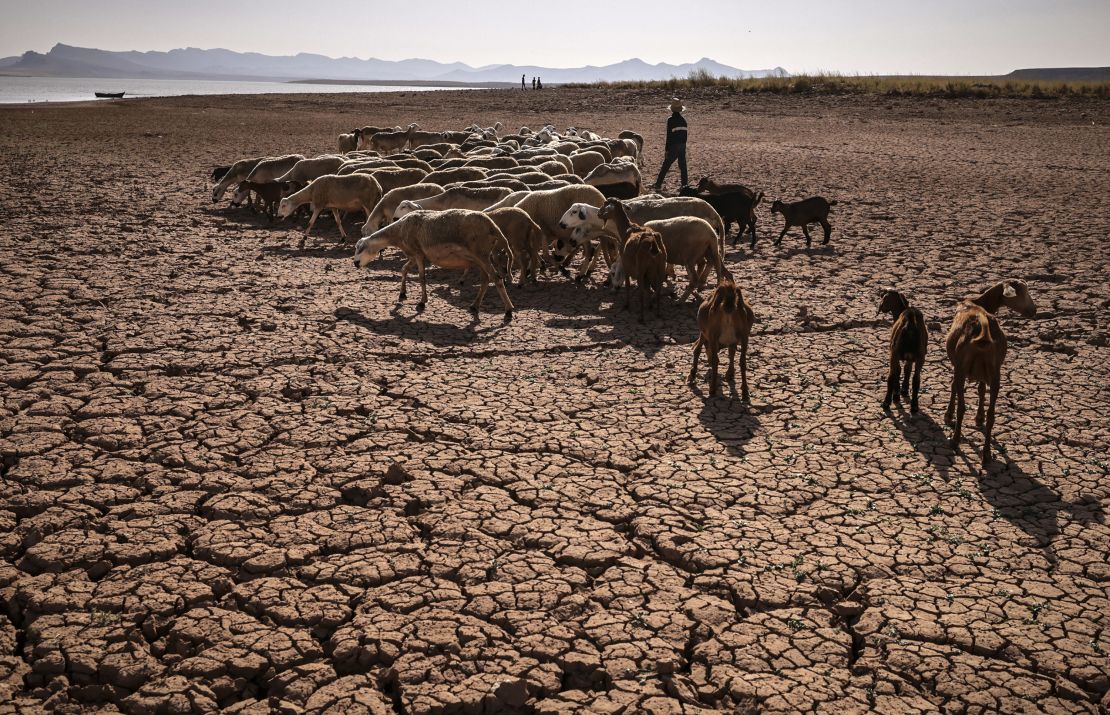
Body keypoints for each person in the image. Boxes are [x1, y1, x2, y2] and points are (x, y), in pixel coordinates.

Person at [652, 97, 688, 192]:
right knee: (683, 166)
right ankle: (685, 185)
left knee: (666, 165)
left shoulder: (670, 120)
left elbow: (669, 136)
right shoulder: (684, 120)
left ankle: (658, 184)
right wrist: (683, 146)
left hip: (674, 146)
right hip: (682, 145)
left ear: (672, 109)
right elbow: (685, 136)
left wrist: (667, 150)